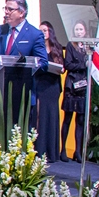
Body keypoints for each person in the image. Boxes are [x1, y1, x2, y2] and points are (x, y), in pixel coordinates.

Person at [0, 0, 48, 127]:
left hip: (22, 91)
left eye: (10, 9)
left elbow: (43, 63)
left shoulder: (34, 34)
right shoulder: (0, 30)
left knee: (18, 133)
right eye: (5, 8)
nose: (6, 12)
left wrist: (26, 64)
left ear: (22, 13)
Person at [35, 21, 64, 164]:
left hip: (53, 85)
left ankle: (52, 152)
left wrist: (61, 69)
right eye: (40, 30)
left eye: (45, 30)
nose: (43, 33)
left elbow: (62, 66)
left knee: (52, 116)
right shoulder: (37, 47)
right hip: (41, 84)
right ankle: (40, 151)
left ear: (50, 32)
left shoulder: (57, 47)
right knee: (41, 117)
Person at [60, 21, 89, 163]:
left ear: (85, 32)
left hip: (83, 86)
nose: (78, 32)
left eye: (81, 29)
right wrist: (83, 65)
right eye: (76, 29)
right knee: (68, 118)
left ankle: (78, 151)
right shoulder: (71, 45)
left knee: (81, 120)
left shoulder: (88, 48)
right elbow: (68, 64)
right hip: (72, 86)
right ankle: (63, 149)